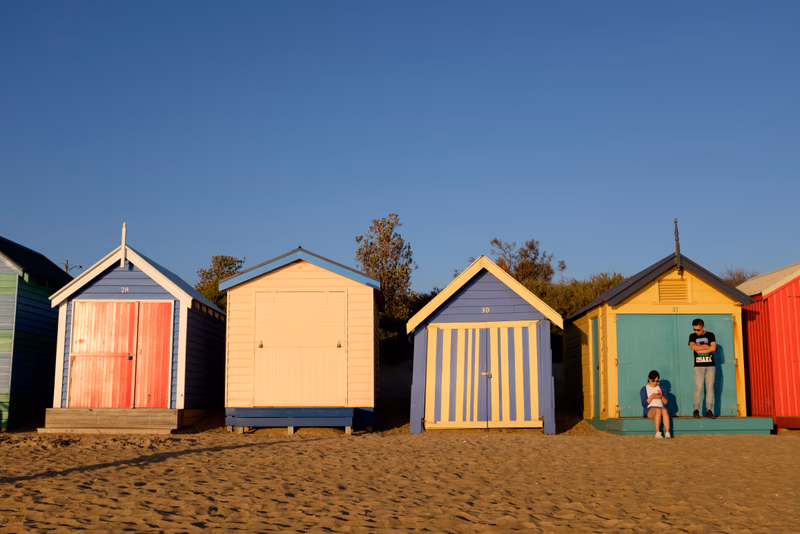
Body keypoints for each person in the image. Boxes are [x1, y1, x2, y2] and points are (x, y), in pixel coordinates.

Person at [688, 319, 717, 419]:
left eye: (698, 330)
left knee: (710, 388)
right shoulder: (692, 336)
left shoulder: (710, 335)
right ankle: (696, 410)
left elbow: (713, 348)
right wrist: (706, 346)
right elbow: (693, 348)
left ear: (703, 328)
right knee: (698, 387)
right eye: (694, 329)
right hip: (698, 365)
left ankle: (708, 410)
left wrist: (700, 348)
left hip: (710, 365)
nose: (696, 332)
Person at [639, 370, 671, 439]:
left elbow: (666, 403)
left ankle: (667, 432)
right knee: (658, 410)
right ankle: (657, 432)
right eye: (653, 381)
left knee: (664, 410)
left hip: (660, 408)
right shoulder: (644, 389)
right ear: (649, 379)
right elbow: (644, 404)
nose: (655, 383)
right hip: (650, 409)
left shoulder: (661, 388)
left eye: (657, 381)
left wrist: (662, 397)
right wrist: (652, 396)